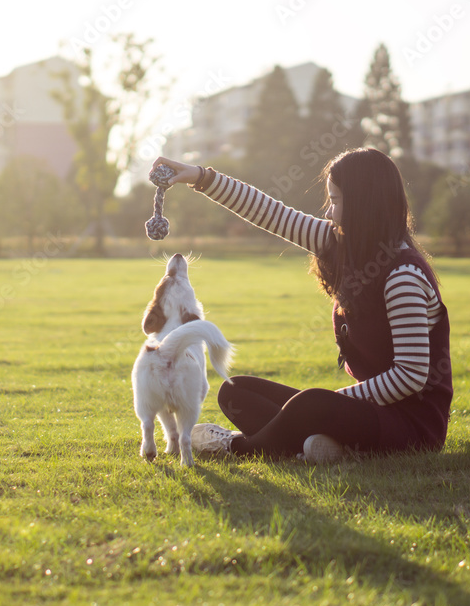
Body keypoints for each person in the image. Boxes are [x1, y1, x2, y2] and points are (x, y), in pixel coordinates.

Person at [150, 148, 453, 463]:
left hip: (411, 427)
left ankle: (236, 446)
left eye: (335, 201)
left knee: (311, 405)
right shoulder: (342, 244)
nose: (328, 212)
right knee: (235, 390)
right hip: (367, 414)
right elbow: (272, 213)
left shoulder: (403, 276)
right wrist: (199, 177)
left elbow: (410, 374)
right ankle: (325, 446)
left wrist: (333, 402)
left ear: (364, 205)